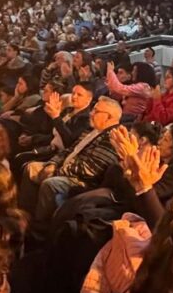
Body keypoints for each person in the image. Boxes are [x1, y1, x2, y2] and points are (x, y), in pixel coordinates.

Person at [18, 97, 121, 227]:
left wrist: (56, 171)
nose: (91, 113)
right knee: (31, 167)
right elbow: (69, 150)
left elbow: (90, 169)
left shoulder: (112, 137)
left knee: (50, 183)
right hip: (66, 168)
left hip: (82, 180)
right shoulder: (92, 130)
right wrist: (52, 163)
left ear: (109, 117)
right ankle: (25, 214)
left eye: (96, 111)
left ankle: (40, 227)